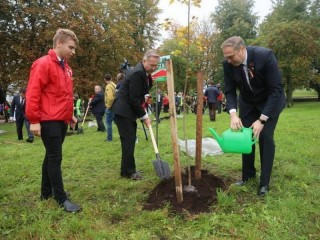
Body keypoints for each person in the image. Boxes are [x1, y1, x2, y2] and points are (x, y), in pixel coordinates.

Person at [221, 36, 286, 197]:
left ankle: (264, 183)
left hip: (270, 102)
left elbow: (276, 90)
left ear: (242, 50)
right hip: (248, 103)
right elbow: (229, 91)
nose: (228, 60)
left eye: (231, 56)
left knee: (264, 137)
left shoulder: (265, 56)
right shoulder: (228, 65)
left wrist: (262, 119)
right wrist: (233, 114)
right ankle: (248, 176)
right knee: (246, 136)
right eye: (226, 57)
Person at [26, 28, 81, 212]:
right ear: (59, 43)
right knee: (55, 158)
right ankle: (61, 198)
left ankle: (45, 193)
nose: (73, 52)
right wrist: (34, 120)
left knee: (50, 156)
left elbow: (64, 95)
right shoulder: (42, 64)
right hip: (48, 120)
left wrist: (70, 114)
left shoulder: (66, 68)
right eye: (71, 47)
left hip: (61, 120)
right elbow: (33, 93)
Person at [111, 49, 159, 180]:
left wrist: (146, 98)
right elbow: (134, 100)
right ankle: (129, 172)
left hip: (127, 111)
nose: (153, 68)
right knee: (129, 141)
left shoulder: (144, 73)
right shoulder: (138, 73)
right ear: (144, 61)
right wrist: (145, 116)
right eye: (152, 64)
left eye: (156, 65)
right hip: (123, 111)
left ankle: (125, 170)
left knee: (129, 140)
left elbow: (139, 94)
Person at [104, 74, 116, 141]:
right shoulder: (114, 85)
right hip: (116, 106)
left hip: (111, 107)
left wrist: (109, 106)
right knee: (118, 122)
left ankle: (109, 138)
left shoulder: (108, 86)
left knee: (108, 123)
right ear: (111, 78)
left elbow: (110, 98)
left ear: (105, 80)